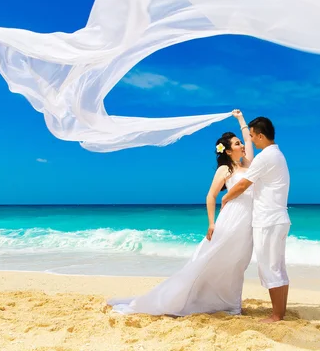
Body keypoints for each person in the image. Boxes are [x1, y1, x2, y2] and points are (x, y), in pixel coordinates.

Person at [107, 109, 255, 316]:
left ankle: (230, 303)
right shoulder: (225, 170)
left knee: (238, 262)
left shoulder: (248, 164)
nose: (241, 145)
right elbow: (210, 196)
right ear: (229, 151)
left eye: (240, 142)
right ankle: (221, 304)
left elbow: (249, 139)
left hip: (247, 221)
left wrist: (240, 119)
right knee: (215, 261)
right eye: (237, 143)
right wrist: (212, 223)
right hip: (231, 219)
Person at [221, 117, 291, 323]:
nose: (249, 140)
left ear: (260, 135)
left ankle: (277, 315)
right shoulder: (277, 154)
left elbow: (243, 184)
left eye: (251, 136)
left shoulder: (265, 157)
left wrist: (225, 197)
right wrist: (241, 121)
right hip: (278, 218)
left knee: (270, 267)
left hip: (268, 220)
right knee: (278, 267)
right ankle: (281, 312)